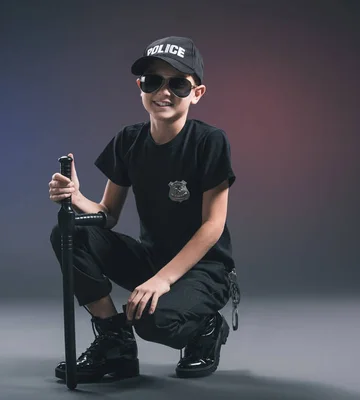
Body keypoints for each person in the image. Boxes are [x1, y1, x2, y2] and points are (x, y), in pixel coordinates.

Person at [48, 36, 240, 383]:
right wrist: (76, 196)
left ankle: (207, 325)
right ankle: (114, 341)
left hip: (203, 269)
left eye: (178, 84)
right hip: (152, 260)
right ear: (140, 86)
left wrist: (162, 281)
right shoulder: (129, 140)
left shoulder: (209, 141)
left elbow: (213, 226)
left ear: (197, 93)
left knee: (153, 322)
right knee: (69, 231)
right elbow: (107, 214)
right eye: (152, 81)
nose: (163, 92)